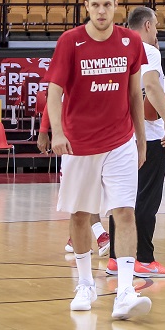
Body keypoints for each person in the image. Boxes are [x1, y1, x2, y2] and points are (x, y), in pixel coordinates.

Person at [47, 0, 151, 320]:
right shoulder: (70, 41)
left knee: (125, 212)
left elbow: (135, 95)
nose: (102, 11)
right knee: (80, 215)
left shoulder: (131, 41)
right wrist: (57, 132)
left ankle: (125, 291)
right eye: (95, 5)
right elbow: (54, 92)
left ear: (116, 5)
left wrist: (140, 139)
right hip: (79, 144)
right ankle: (84, 284)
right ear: (87, 7)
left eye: (107, 5)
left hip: (120, 141)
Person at [106, 6, 165, 278]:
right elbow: (152, 86)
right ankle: (144, 259)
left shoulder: (116, 48)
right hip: (148, 136)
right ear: (147, 25)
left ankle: (116, 259)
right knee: (147, 199)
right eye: (156, 25)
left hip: (120, 135)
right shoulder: (148, 51)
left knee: (122, 199)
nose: (157, 30)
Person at [36, 90, 111, 256]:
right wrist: (43, 130)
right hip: (73, 142)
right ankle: (95, 236)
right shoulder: (64, 80)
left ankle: (81, 237)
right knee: (82, 193)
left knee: (86, 192)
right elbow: (52, 98)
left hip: (97, 139)